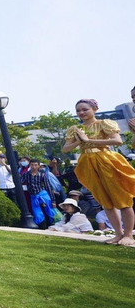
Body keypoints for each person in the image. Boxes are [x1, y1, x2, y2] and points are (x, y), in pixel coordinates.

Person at [62, 98, 135, 245]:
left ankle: (128, 235)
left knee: (122, 199)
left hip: (106, 160)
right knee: (105, 201)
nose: (81, 113)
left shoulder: (104, 123)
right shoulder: (75, 129)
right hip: (88, 163)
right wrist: (79, 141)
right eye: (78, 110)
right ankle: (118, 234)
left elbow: (117, 141)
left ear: (95, 108)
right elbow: (65, 148)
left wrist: (88, 140)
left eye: (85, 109)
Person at [20, 159, 56, 229]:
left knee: (50, 211)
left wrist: (53, 200)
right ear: (30, 165)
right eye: (32, 165)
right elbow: (20, 182)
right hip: (33, 196)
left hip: (42, 194)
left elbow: (47, 186)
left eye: (36, 165)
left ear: (39, 166)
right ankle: (42, 227)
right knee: (37, 214)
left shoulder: (42, 175)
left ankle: (52, 225)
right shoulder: (26, 174)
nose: (34, 167)